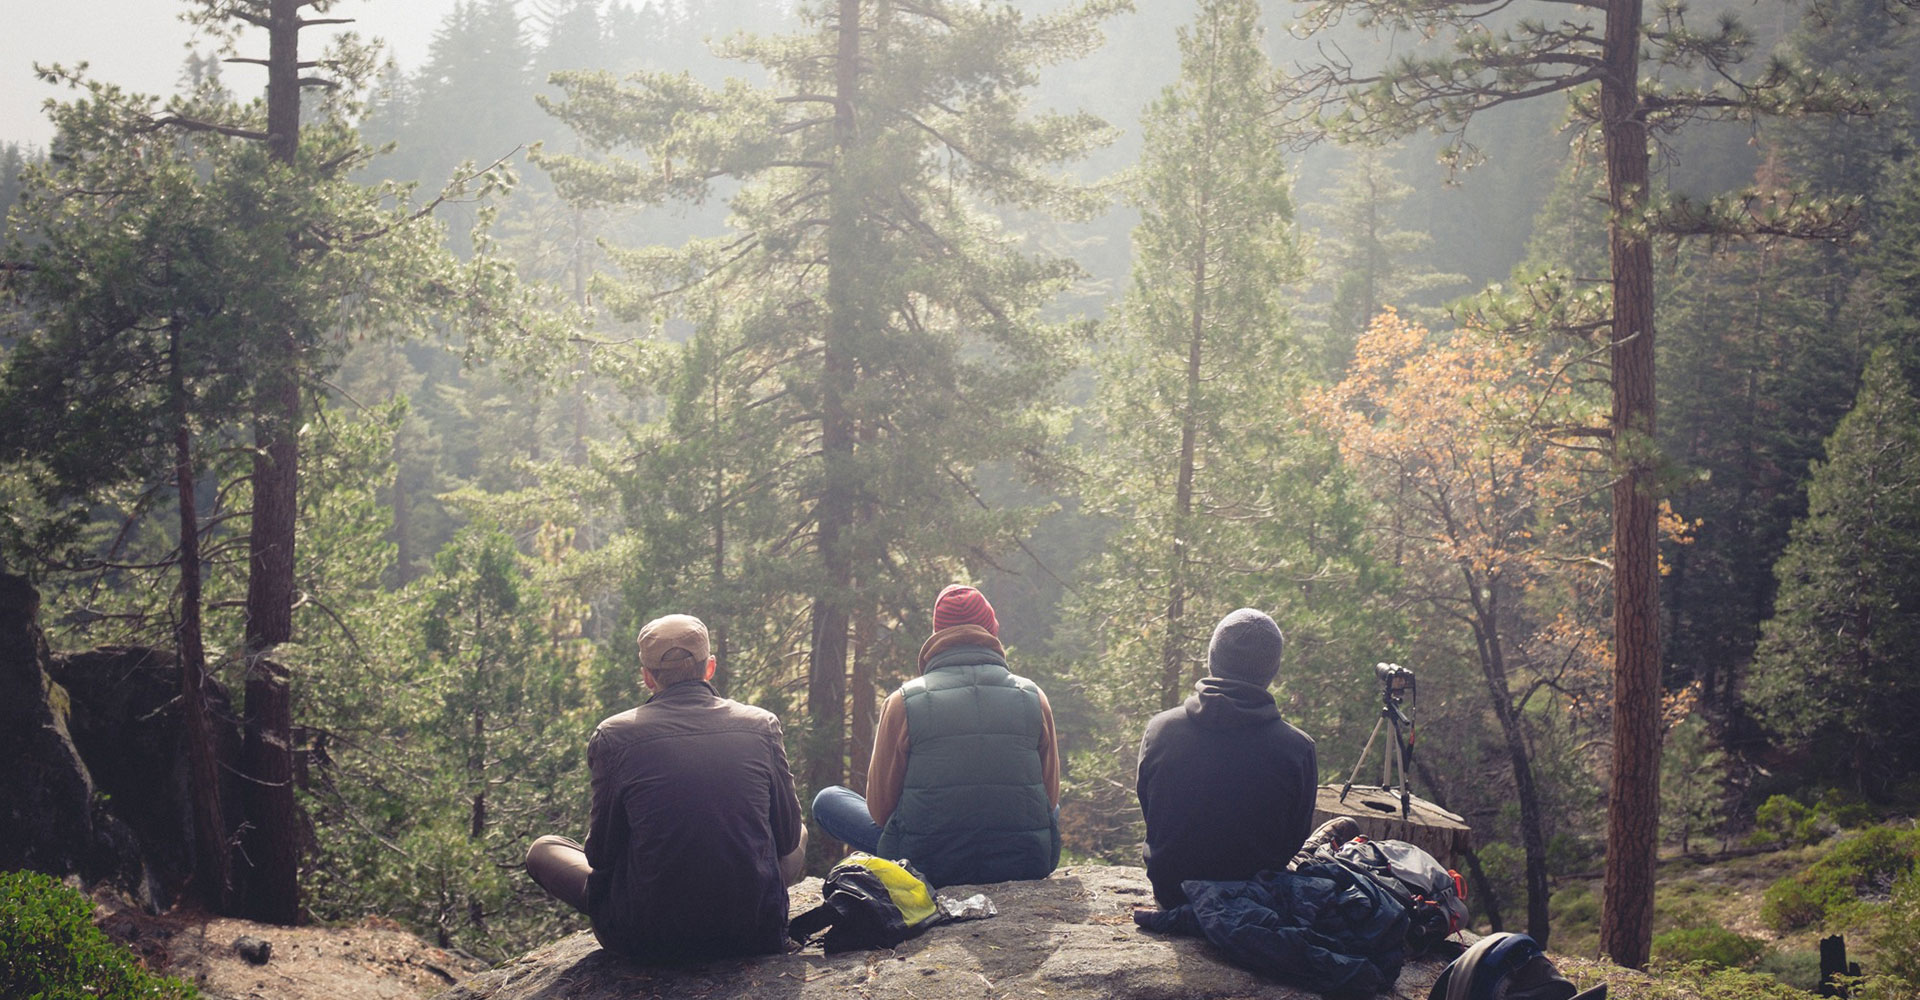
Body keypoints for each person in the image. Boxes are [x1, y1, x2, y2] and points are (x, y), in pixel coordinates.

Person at [524, 614, 807, 963]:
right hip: (753, 930)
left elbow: (601, 857)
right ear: (710, 668)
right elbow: (788, 837)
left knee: (543, 850)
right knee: (802, 831)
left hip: (645, 937)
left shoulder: (614, 736)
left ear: (647, 676)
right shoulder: (761, 725)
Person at [811, 584, 1061, 887]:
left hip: (925, 866)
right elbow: (1049, 799)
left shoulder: (903, 701)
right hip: (1025, 862)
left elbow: (879, 812)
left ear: (938, 636)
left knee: (827, 801)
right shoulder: (1033, 696)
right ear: (992, 632)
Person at [1135, 607, 1318, 908]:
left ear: (1212, 659)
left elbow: (1151, 810)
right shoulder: (1298, 749)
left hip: (1173, 894)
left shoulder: (1161, 729)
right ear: (1271, 671)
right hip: (1253, 900)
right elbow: (1292, 841)